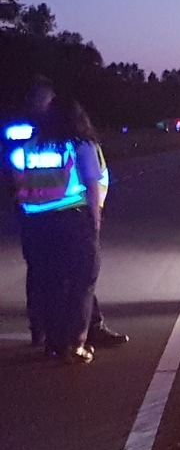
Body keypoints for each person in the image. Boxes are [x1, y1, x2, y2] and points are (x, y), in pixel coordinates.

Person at [6, 77, 126, 354]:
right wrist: (95, 220)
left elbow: (16, 178)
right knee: (80, 279)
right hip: (72, 218)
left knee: (53, 279)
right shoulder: (76, 143)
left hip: (35, 220)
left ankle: (58, 337)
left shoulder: (28, 143)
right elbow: (90, 183)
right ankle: (72, 341)